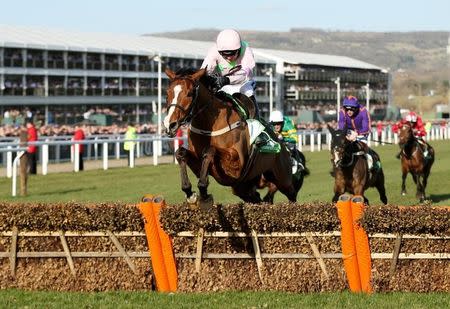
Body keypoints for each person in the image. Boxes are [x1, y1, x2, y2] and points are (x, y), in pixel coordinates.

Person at [201, 29, 278, 153]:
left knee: (249, 96)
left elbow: (245, 74)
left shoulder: (246, 50)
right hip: (222, 83)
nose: (229, 57)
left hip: (244, 83)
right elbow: (205, 70)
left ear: (238, 49)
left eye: (232, 54)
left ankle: (261, 134)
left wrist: (226, 79)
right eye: (225, 55)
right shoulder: (214, 51)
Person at [337, 96, 375, 169]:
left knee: (363, 149)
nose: (349, 111)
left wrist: (357, 133)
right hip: (348, 132)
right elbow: (341, 125)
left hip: (361, 133)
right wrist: (347, 134)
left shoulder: (363, 111)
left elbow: (366, 127)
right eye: (347, 109)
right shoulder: (342, 111)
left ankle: (372, 164)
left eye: (352, 109)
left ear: (356, 108)